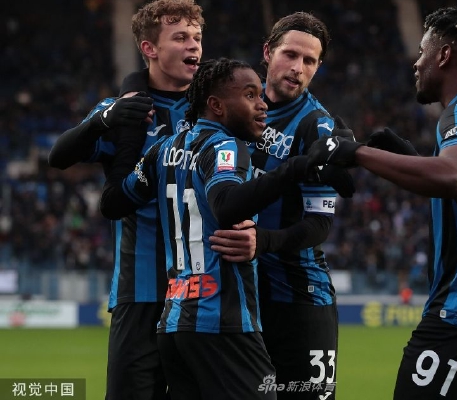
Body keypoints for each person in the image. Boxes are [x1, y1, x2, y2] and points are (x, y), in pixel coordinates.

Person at [307, 7, 457, 399]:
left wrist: (356, 153)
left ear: (443, 55)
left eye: (422, 51)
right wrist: (410, 157)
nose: (416, 63)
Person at [99, 57, 348, 400]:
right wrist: (299, 167)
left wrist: (126, 151)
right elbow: (227, 205)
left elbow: (113, 203)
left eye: (260, 94)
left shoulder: (163, 149)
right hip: (222, 320)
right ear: (216, 105)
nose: (262, 105)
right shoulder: (225, 146)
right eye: (250, 96)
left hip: (173, 321)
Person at [47, 1, 211, 398]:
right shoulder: (121, 111)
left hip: (206, 292)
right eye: (180, 37)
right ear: (149, 48)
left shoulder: (215, 109)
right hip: (140, 293)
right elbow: (59, 156)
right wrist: (104, 119)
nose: (193, 45)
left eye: (197, 37)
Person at [209, 12, 348, 399]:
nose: (298, 68)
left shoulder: (316, 127)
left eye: (310, 61)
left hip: (298, 297)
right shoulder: (233, 108)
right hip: (239, 297)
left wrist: (263, 242)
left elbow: (320, 225)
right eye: (290, 54)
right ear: (268, 52)